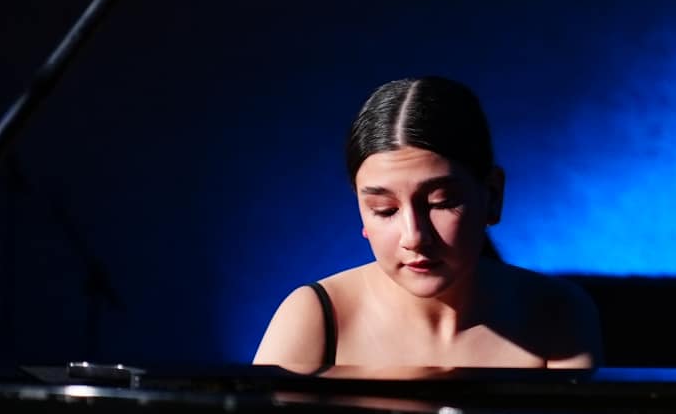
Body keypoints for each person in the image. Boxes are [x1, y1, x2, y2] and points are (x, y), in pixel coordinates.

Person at [252, 76, 602, 371]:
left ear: (492, 196)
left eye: (441, 202)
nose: (414, 236)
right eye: (385, 210)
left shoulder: (557, 315)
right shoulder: (316, 317)